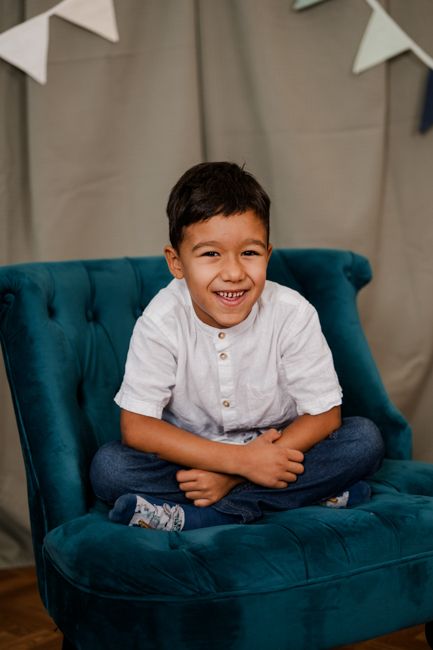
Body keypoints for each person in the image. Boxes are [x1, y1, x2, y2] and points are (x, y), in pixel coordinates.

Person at [90, 161, 384, 532]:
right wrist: (239, 462)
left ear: (268, 255)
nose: (233, 273)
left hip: (281, 447)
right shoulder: (161, 321)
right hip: (196, 457)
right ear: (176, 263)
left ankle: (210, 513)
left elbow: (325, 416)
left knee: (363, 440)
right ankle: (306, 493)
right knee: (110, 468)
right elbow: (137, 428)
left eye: (249, 253)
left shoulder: (292, 313)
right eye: (210, 254)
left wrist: (232, 475)